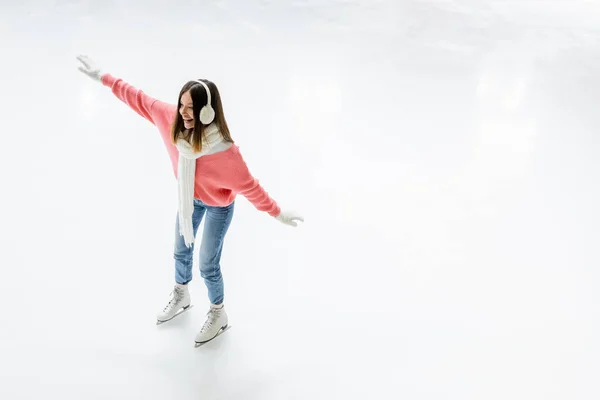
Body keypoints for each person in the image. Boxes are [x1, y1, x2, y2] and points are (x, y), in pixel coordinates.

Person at [76, 55, 304, 345]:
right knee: (180, 250)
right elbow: (139, 98)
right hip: (190, 201)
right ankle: (181, 295)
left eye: (191, 108)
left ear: (207, 113)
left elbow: (251, 188)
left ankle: (218, 313)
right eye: (182, 105)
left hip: (219, 207)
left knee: (208, 264)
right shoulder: (171, 120)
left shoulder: (225, 154)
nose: (183, 112)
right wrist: (103, 77)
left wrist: (278, 213)